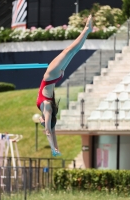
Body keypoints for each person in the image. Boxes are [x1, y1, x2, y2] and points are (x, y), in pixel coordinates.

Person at [36, 15, 93, 157]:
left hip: (56, 76)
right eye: (43, 122)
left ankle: (87, 31)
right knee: (68, 50)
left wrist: (56, 148)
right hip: (51, 76)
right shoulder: (47, 108)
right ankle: (86, 30)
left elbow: (53, 131)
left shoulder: (47, 109)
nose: (40, 121)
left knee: (73, 51)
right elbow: (49, 131)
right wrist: (51, 147)